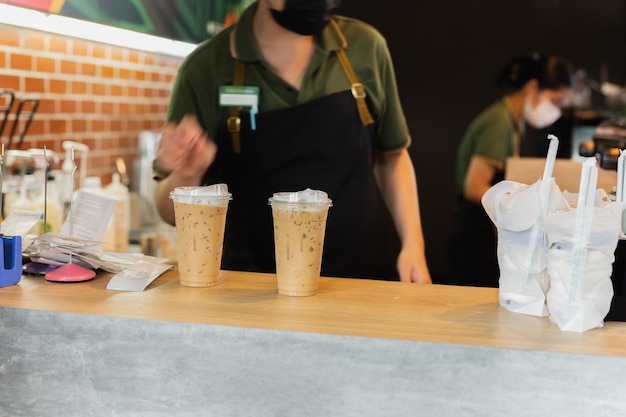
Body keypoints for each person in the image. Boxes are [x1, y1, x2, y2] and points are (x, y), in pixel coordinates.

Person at [153, 0, 432, 283]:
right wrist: (187, 172)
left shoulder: (365, 47)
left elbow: (392, 156)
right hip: (250, 287)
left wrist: (414, 247)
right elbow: (169, 212)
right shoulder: (205, 69)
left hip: (362, 278)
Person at [449, 52, 573, 287]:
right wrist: (519, 208)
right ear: (532, 86)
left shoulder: (514, 121)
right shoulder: (500, 123)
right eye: (555, 102)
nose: (556, 111)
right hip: (475, 234)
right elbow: (474, 188)